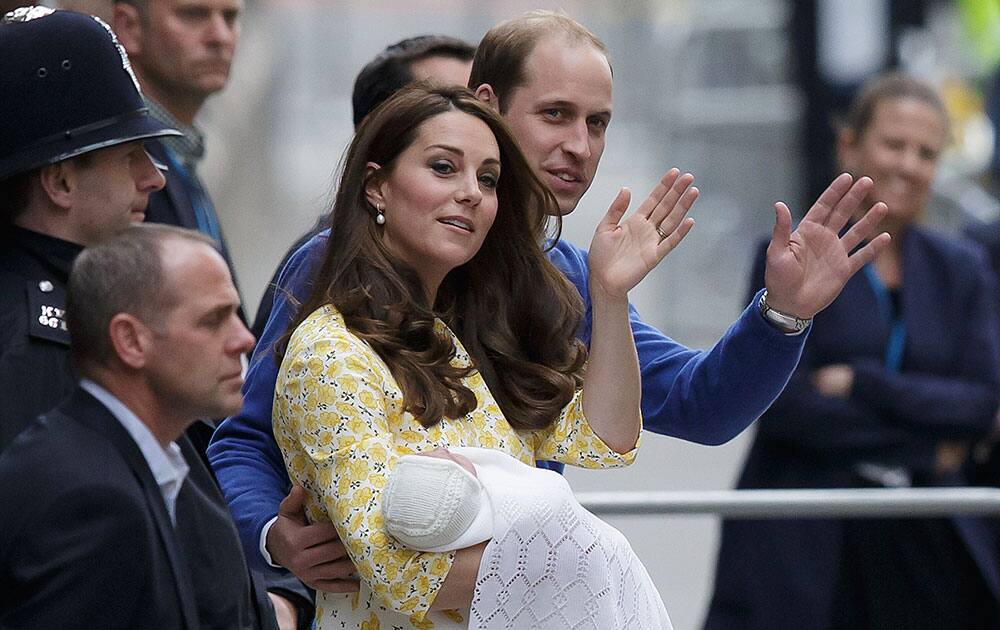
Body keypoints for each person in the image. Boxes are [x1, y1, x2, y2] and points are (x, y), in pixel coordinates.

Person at [208, 9, 890, 599]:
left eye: (598, 123)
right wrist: (274, 543)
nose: (579, 146)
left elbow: (683, 411)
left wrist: (782, 315)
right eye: (556, 115)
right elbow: (248, 439)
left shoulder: (568, 275)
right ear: (486, 105)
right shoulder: (333, 269)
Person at [273, 82, 689, 628]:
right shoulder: (331, 352)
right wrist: (575, 553)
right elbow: (395, 573)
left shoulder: (467, 335)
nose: (471, 192)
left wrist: (609, 296)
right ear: (376, 187)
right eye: (444, 168)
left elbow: (606, 438)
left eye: (487, 179)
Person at [0, 8, 289, 629]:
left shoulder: (72, 308)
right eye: (130, 154)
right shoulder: (35, 345)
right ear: (59, 181)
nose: (154, 177)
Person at [705, 73, 1000, 630]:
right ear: (850, 146)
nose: (909, 165)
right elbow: (783, 408)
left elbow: (980, 404)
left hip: (926, 550)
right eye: (894, 145)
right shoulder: (790, 258)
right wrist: (926, 446)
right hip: (804, 545)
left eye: (926, 153)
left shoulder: (961, 270)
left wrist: (863, 384)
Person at [0, 224, 257, 628]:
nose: (244, 340)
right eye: (213, 320)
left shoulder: (120, 460)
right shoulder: (94, 499)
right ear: (131, 341)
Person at [251, 34, 476, 340]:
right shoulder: (323, 264)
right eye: (439, 103)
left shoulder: (494, 264)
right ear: (377, 134)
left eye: (479, 105)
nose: (469, 122)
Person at [112, 0, 246, 323]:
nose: (220, 36)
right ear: (129, 27)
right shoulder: (115, 169)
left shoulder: (182, 154)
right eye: (193, 14)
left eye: (230, 18)